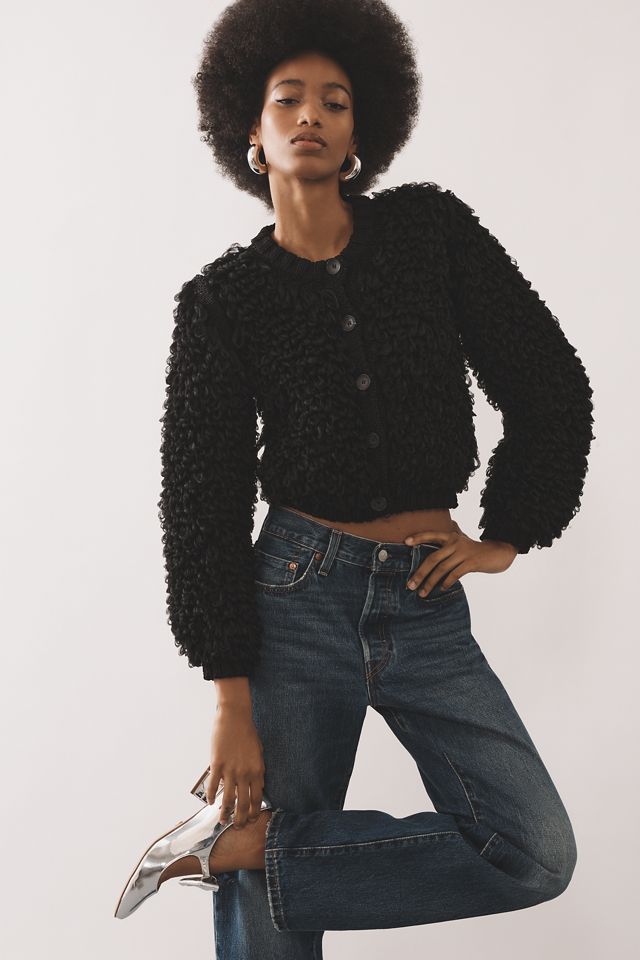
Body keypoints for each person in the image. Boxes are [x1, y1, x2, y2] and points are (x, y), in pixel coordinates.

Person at [114, 0, 595, 953]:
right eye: (287, 99)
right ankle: (249, 851)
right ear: (250, 134)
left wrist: (508, 532)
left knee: (534, 849)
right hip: (295, 597)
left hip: (425, 595)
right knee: (269, 934)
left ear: (360, 132)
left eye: (335, 102)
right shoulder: (223, 301)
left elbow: (550, 381)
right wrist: (230, 699)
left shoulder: (431, 231)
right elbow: (200, 502)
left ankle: (247, 849)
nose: (312, 115)